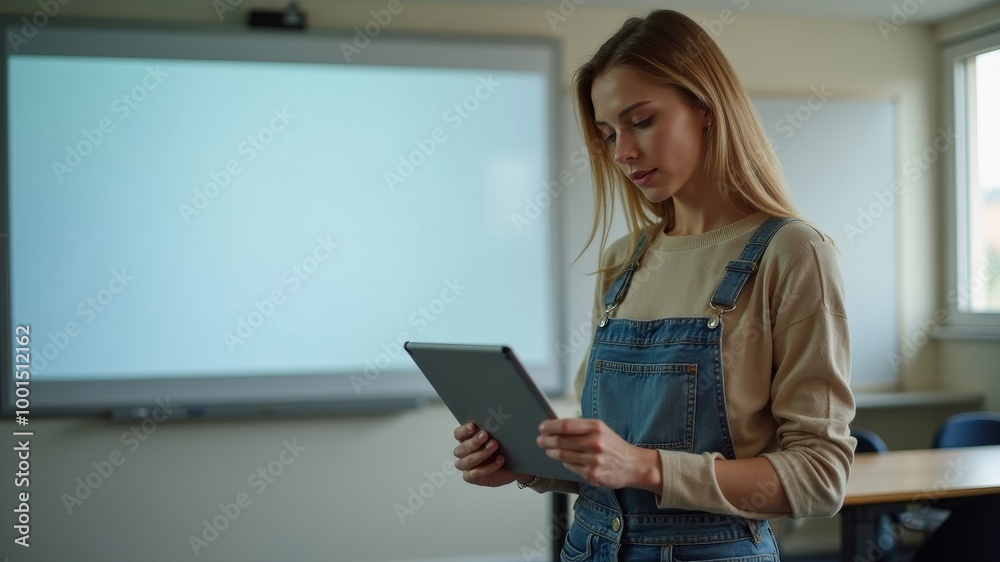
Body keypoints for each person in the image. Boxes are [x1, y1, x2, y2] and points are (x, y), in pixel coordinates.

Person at [451, 9, 855, 561]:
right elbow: (609, 463)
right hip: (588, 546)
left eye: (640, 121)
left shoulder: (794, 252)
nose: (622, 152)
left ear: (705, 108)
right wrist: (527, 464)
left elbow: (820, 479)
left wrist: (645, 466)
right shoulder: (624, 259)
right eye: (608, 134)